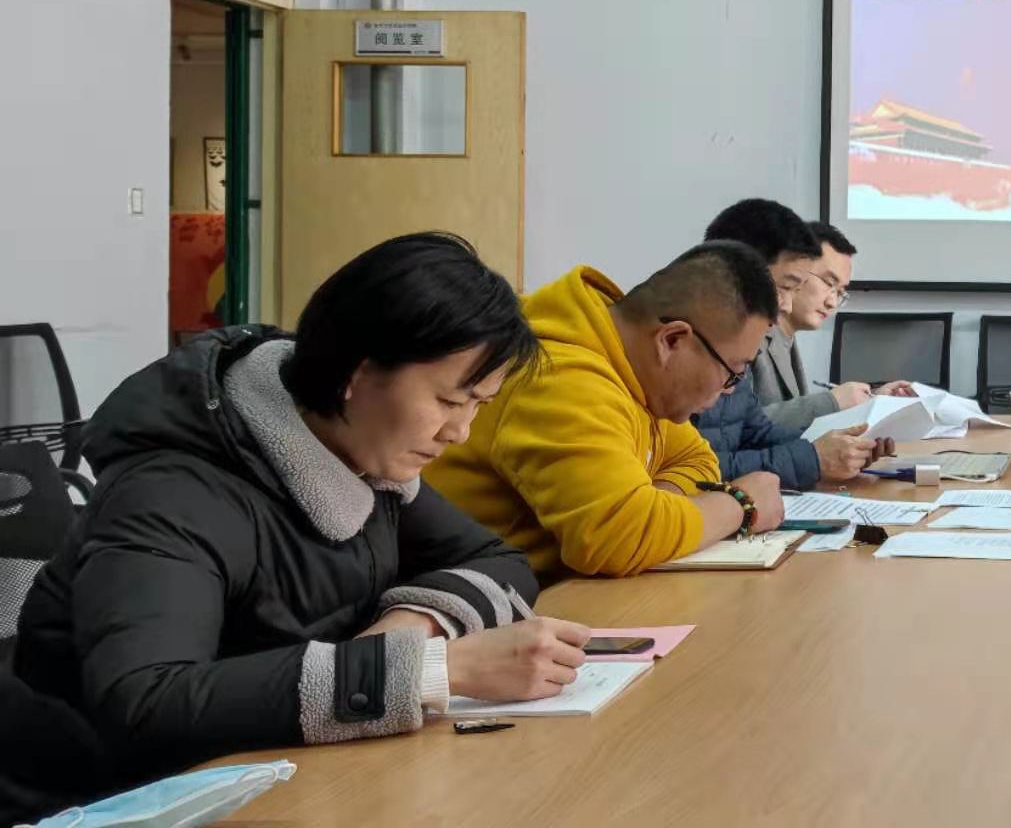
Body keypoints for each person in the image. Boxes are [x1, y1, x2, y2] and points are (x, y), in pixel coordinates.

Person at [10, 233, 589, 800]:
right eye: (448, 401)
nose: (459, 432)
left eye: (478, 405)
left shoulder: (361, 455)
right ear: (358, 374)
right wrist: (430, 671)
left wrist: (414, 629)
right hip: (119, 798)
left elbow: (495, 559)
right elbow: (146, 702)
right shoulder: (174, 492)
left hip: (280, 775)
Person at [425, 241, 791, 581]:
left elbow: (696, 459)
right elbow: (618, 538)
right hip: (480, 604)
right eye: (732, 372)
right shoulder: (561, 377)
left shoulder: (635, 372)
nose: (728, 390)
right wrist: (741, 505)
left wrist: (659, 509)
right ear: (672, 340)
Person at [692, 199, 893, 490]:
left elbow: (756, 432)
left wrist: (844, 446)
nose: (785, 305)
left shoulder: (751, 340)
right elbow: (694, 469)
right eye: (787, 286)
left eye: (840, 292)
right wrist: (814, 456)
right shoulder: (699, 345)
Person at [746, 216, 911, 431]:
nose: (832, 302)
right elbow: (739, 428)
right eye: (829, 283)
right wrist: (832, 402)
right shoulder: (747, 336)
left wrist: (871, 401)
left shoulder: (786, 337)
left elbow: (791, 418)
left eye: (840, 292)